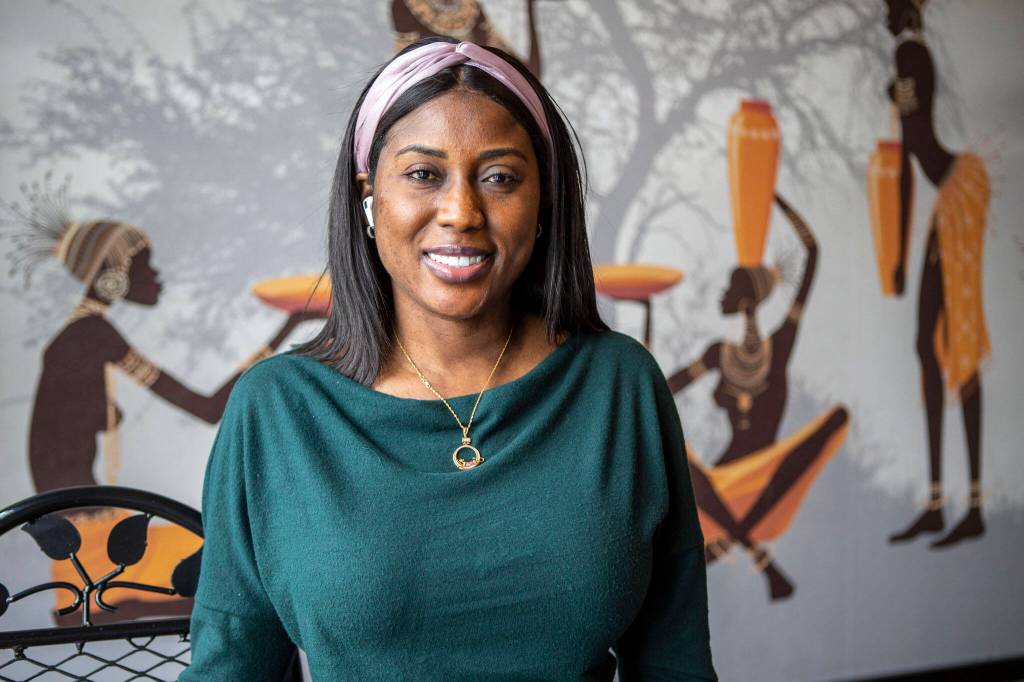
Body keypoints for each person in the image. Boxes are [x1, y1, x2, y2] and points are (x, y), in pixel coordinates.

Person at [182, 38, 716, 680]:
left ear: (542, 202)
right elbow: (231, 668)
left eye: (500, 177)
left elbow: (676, 663)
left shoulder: (619, 385)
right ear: (368, 198)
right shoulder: (276, 409)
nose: (461, 212)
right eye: (422, 174)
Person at [5, 181, 313, 623]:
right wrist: (288, 328)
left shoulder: (87, 335)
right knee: (250, 571)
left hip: (82, 528)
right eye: (145, 265)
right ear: (112, 275)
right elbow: (207, 408)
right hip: (86, 538)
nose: (157, 276)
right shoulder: (90, 335)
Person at [667, 196, 849, 601]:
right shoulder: (719, 354)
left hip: (765, 475)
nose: (721, 294)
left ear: (745, 300)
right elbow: (663, 389)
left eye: (728, 288)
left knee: (835, 421)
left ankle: (740, 543)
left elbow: (813, 253)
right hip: (723, 484)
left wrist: (773, 199)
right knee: (676, 463)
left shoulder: (778, 347)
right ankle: (753, 550)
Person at [882, 0, 989, 549]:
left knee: (957, 343)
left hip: (960, 192)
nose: (884, 14)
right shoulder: (908, 55)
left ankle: (968, 502)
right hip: (949, 195)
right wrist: (898, 248)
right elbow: (905, 156)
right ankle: (939, 499)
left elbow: (915, 148)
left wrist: (901, 249)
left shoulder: (909, 52)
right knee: (930, 345)